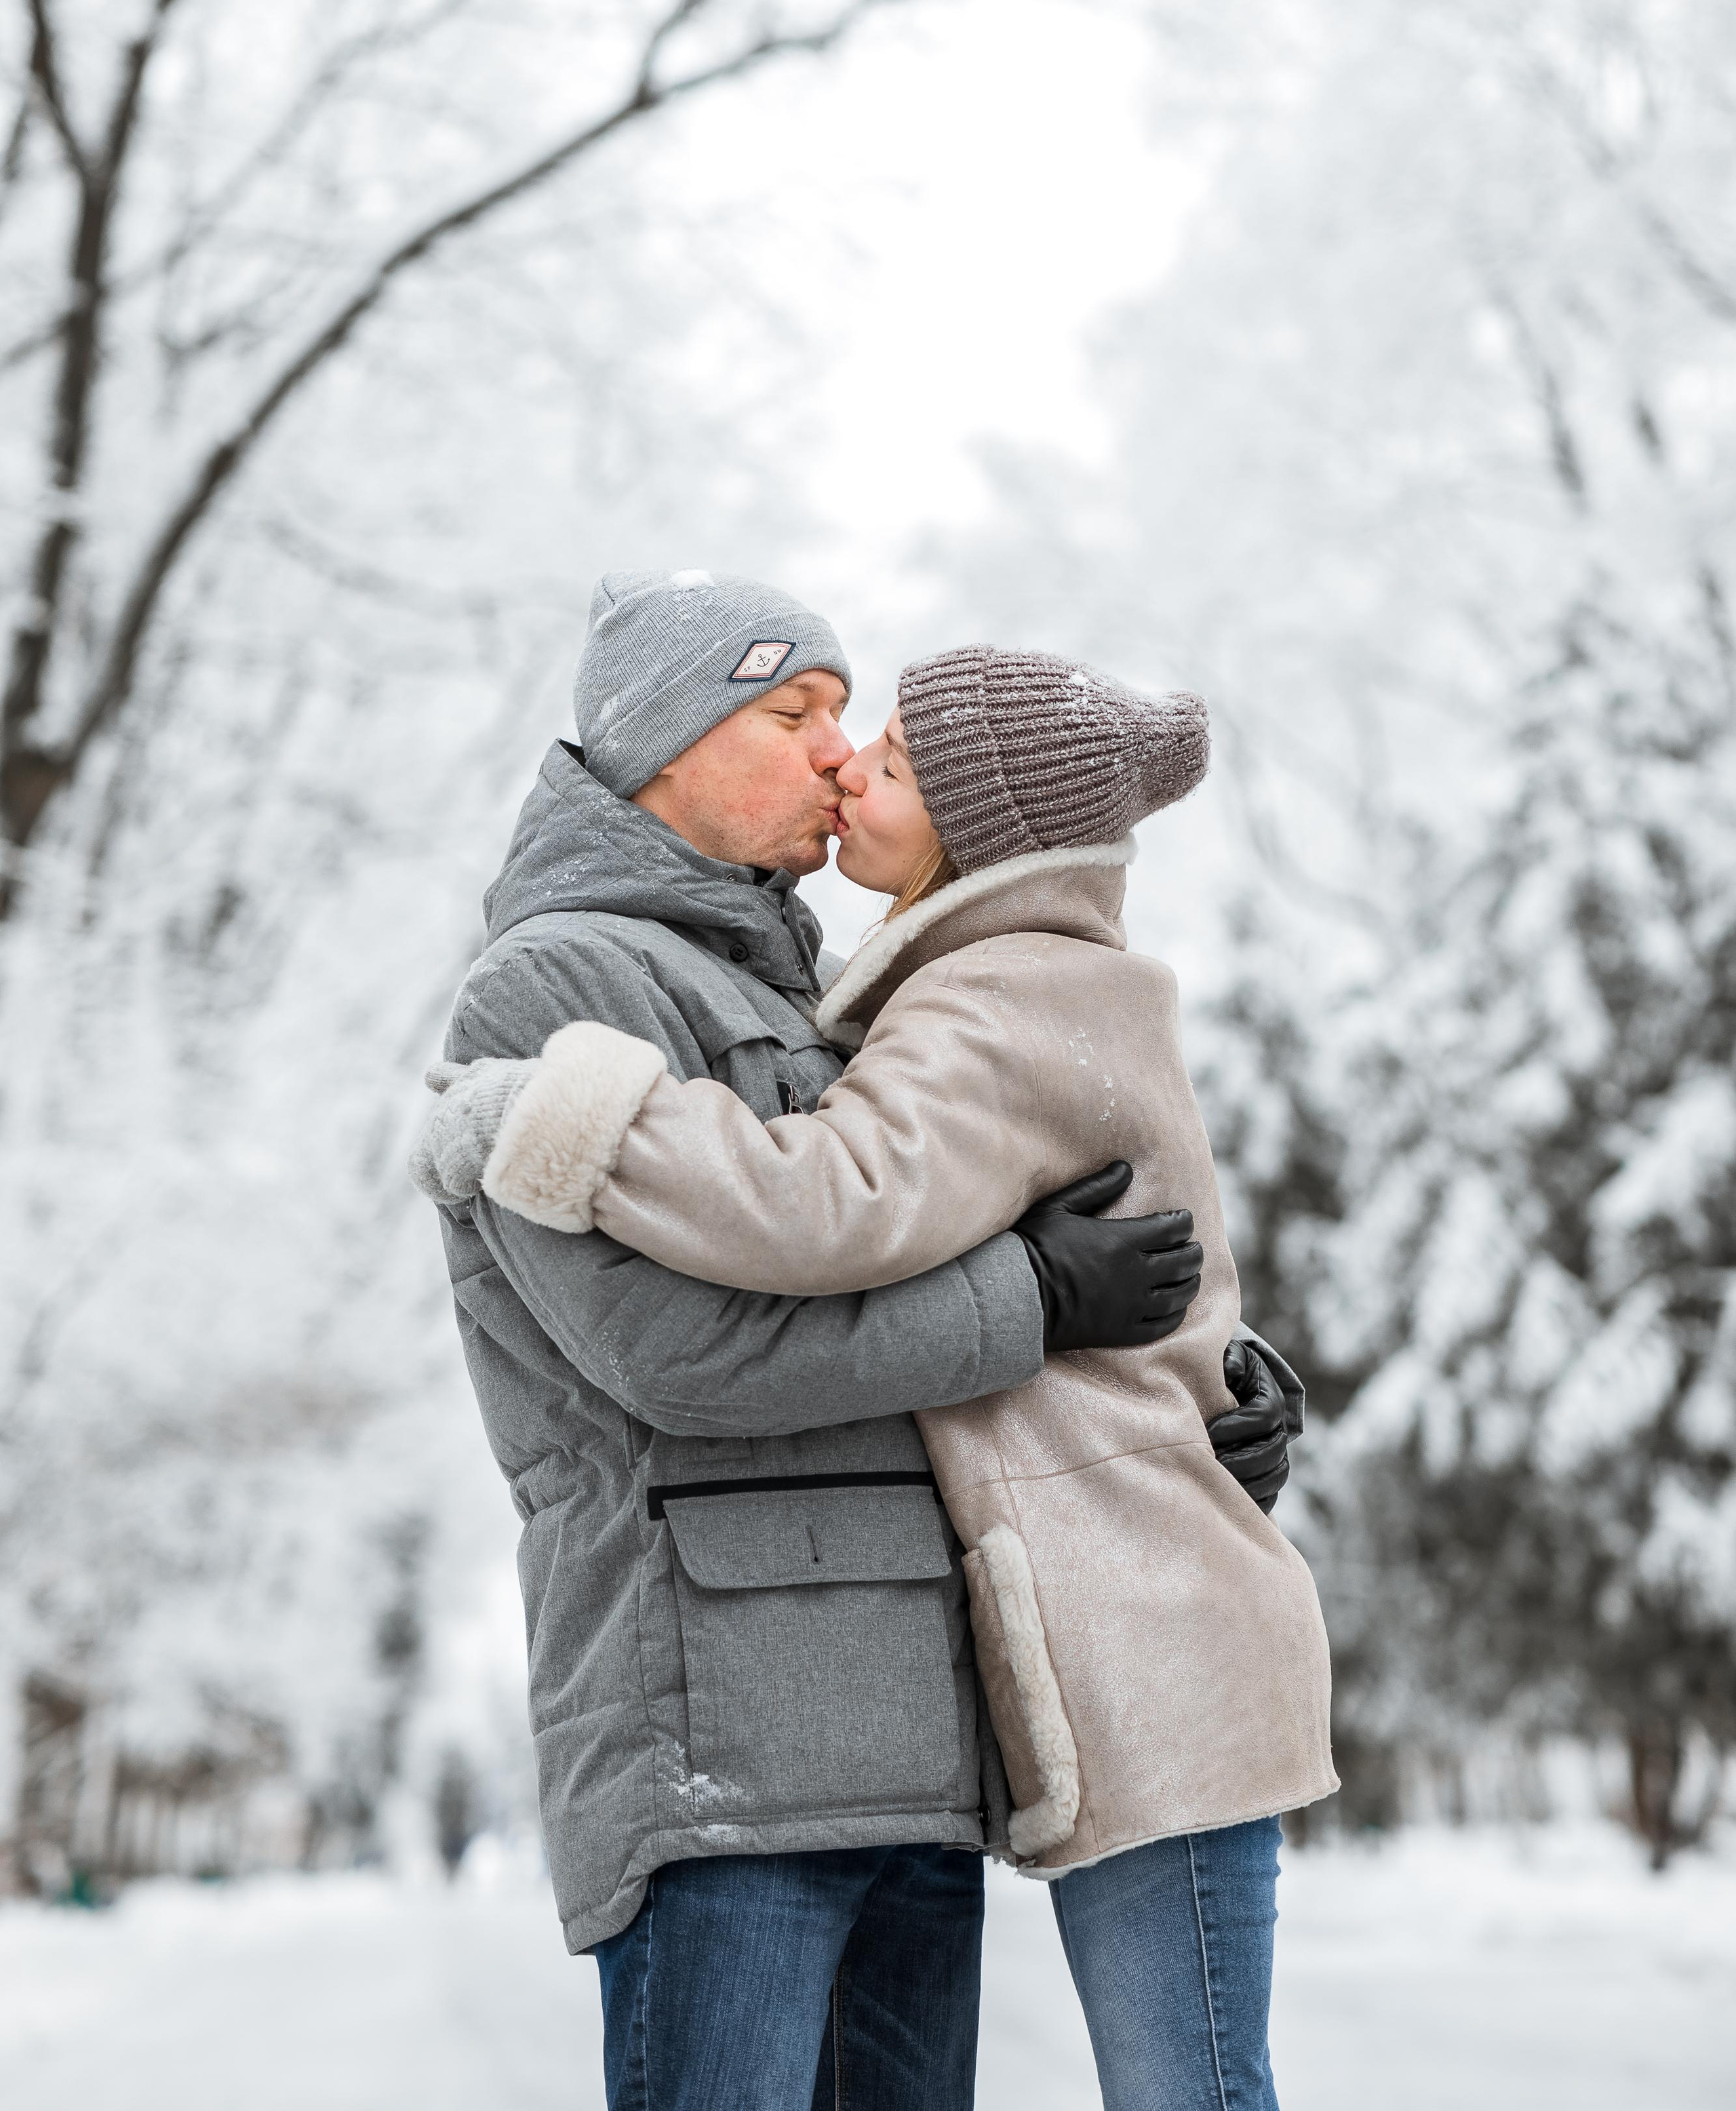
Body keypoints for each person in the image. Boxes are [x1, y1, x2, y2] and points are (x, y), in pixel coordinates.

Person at [415, 572, 1299, 2111]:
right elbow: (682, 1363)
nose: (837, 755)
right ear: (662, 744)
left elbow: (939, 1244)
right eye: (794, 713)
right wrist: (1035, 1308)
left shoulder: (826, 989)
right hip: (722, 1753)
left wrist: (1172, 1401)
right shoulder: (552, 984)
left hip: (906, 1739)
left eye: (849, 722)